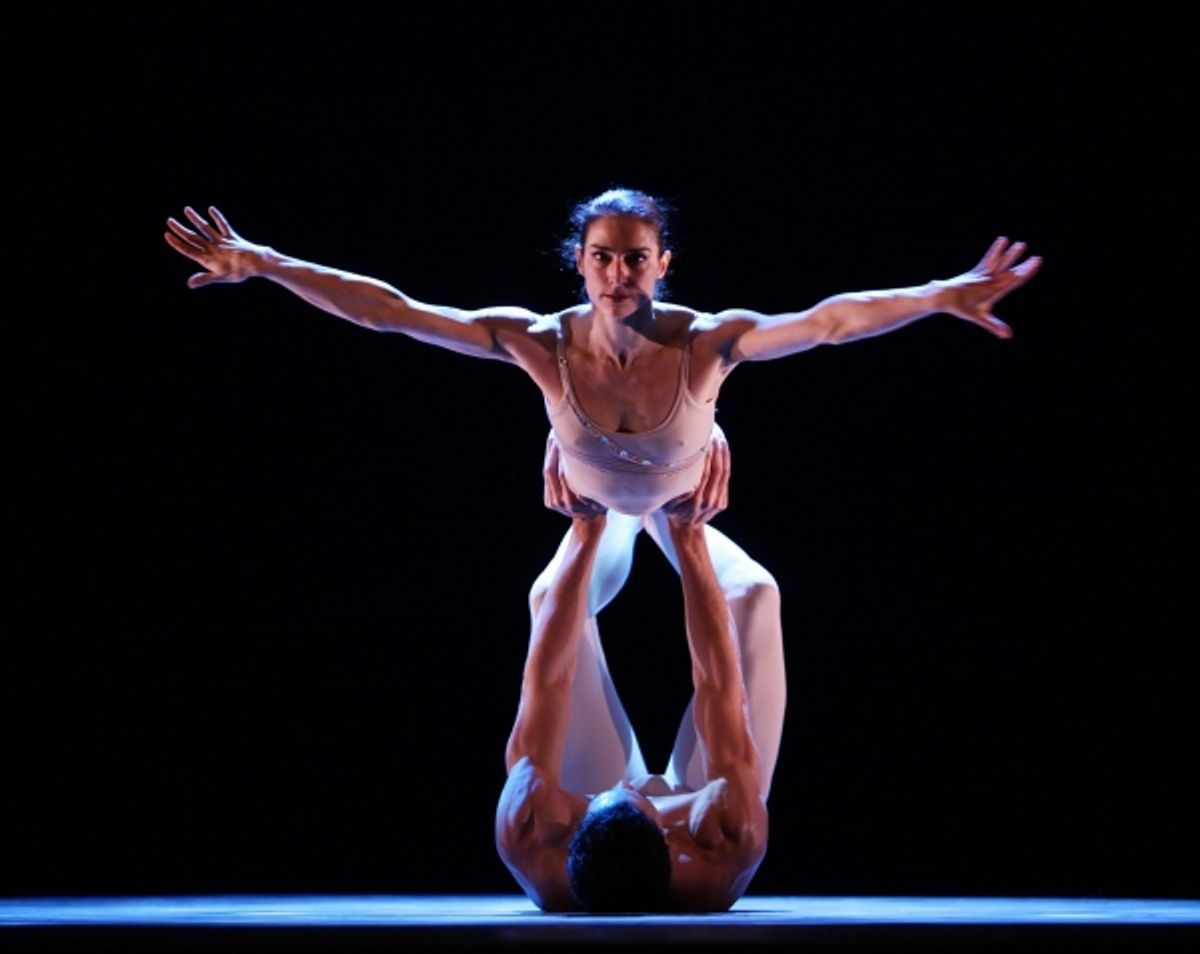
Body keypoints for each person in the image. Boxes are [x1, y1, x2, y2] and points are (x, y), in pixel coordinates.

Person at [164, 189, 1039, 798]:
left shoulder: (706, 343)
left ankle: (713, 798)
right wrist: (265, 263)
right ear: (579, 264)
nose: (619, 274)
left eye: (636, 259)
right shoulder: (541, 341)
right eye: (602, 259)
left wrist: (938, 297)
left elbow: (829, 322)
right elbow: (393, 311)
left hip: (676, 506)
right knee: (555, 601)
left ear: (663, 263)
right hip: (591, 510)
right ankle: (606, 789)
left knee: (757, 594)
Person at [496, 456, 768, 912]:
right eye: (642, 799)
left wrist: (586, 525)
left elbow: (548, 681)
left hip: (596, 830)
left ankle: (621, 496)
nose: (636, 785)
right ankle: (662, 495)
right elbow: (718, 685)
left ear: (574, 831)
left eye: (621, 791)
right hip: (708, 791)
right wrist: (689, 533)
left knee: (547, 599)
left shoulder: (532, 834)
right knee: (755, 595)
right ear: (667, 833)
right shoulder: (725, 841)